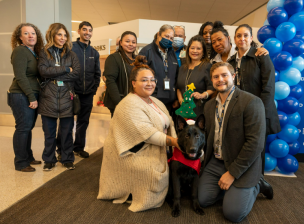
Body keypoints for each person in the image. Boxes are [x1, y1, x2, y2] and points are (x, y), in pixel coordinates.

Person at [98, 55, 178, 212]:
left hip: (153, 147)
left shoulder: (155, 101)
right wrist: (176, 143)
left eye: (152, 80)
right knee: (151, 174)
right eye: (144, 80)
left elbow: (170, 123)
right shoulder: (129, 104)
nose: (150, 83)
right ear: (133, 83)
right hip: (132, 153)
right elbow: (149, 135)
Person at [198, 62, 273, 223]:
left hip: (241, 163)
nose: (220, 79)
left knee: (233, 214)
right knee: (202, 200)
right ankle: (232, 190)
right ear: (212, 80)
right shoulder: (209, 106)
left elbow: (255, 144)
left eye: (224, 75)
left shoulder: (251, 102)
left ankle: (258, 184)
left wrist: (232, 173)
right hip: (216, 161)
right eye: (216, 77)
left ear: (233, 76)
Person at [228, 24, 281, 172]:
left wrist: (260, 112)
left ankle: (257, 181)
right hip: (238, 112)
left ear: (251, 38)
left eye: (246, 35)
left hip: (258, 112)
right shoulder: (231, 62)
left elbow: (269, 88)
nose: (242, 38)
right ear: (234, 39)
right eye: (239, 36)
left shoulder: (261, 57)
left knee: (256, 149)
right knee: (240, 148)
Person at [38, 23, 80, 171]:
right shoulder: (44, 53)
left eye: (65, 35)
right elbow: (43, 71)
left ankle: (67, 158)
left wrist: (54, 72)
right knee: (49, 133)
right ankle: (49, 159)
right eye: (59, 34)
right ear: (52, 35)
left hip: (66, 96)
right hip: (48, 96)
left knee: (67, 132)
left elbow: (76, 73)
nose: (62, 38)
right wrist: (65, 69)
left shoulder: (71, 54)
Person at [56, 21, 101, 159]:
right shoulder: (70, 48)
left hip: (87, 94)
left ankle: (79, 147)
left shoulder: (94, 52)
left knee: (83, 121)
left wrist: (93, 90)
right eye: (84, 30)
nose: (87, 32)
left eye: (90, 30)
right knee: (67, 122)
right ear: (79, 31)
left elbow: (97, 74)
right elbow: (62, 70)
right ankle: (61, 150)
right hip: (71, 92)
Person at [8, 23, 44, 172]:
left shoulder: (33, 52)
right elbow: (20, 76)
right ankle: (21, 162)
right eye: (26, 33)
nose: (31, 36)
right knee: (23, 128)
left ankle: (28, 157)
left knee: (27, 128)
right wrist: (31, 97)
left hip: (30, 94)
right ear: (20, 37)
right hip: (21, 95)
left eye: (33, 33)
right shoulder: (20, 51)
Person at [139, 24, 179, 114]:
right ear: (158, 35)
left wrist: (175, 98)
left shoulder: (172, 53)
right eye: (166, 36)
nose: (169, 40)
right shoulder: (146, 52)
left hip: (170, 102)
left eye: (171, 38)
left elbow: (176, 76)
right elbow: (140, 77)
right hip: (151, 101)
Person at [176, 35, 214, 119]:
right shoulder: (182, 68)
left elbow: (212, 88)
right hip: (183, 110)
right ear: (188, 49)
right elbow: (178, 87)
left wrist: (202, 95)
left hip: (199, 110)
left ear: (203, 51)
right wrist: (180, 100)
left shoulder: (207, 66)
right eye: (192, 48)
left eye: (198, 48)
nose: (195, 51)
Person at [104, 31, 137, 117]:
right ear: (121, 43)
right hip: (119, 101)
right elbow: (110, 81)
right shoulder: (114, 58)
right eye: (127, 41)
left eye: (133, 42)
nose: (130, 44)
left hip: (135, 102)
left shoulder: (137, 59)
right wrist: (118, 102)